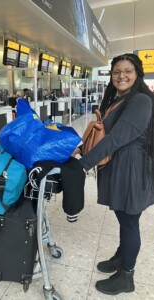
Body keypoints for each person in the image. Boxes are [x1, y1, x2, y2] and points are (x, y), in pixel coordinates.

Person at [78, 53, 154, 295]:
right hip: (120, 165)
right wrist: (80, 150)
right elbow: (103, 134)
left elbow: (117, 137)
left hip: (132, 168)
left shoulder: (140, 100)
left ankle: (127, 276)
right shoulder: (116, 100)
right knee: (124, 217)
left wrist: (84, 164)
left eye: (127, 71)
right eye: (116, 72)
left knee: (129, 221)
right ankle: (122, 258)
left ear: (137, 73)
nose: (121, 76)